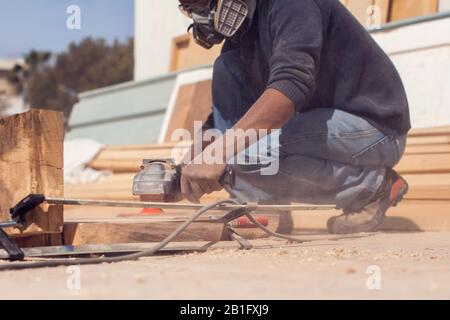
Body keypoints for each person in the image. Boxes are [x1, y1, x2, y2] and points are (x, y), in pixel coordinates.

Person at [177, 0, 410, 234]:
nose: (201, 16)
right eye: (190, 8)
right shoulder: (243, 31)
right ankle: (265, 207)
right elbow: (237, 103)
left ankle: (372, 187)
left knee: (243, 153)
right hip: (321, 122)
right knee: (226, 68)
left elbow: (291, 85)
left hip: (374, 127)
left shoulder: (293, 4)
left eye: (200, 4)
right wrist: (200, 149)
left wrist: (221, 153)